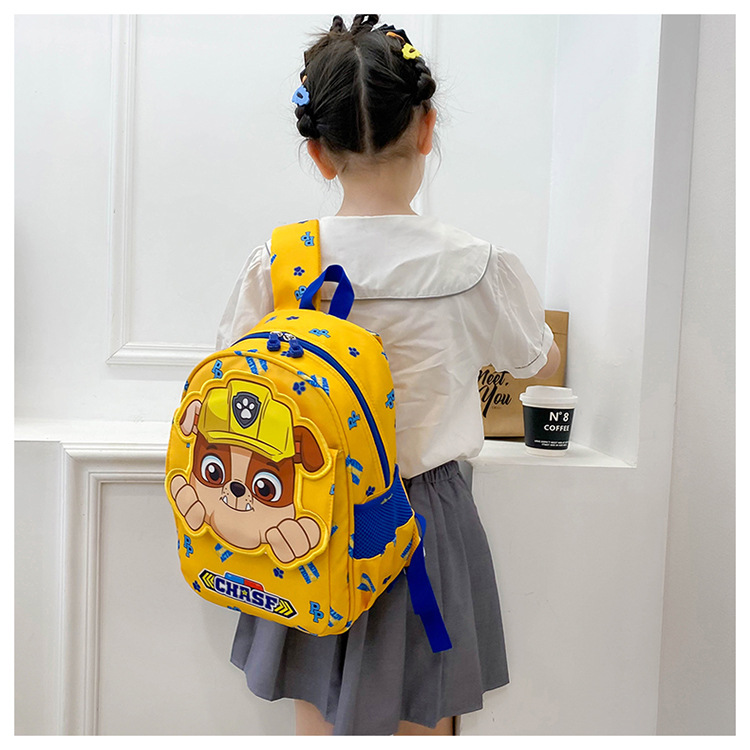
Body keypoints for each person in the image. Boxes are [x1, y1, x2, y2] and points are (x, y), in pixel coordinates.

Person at [216, 14, 561, 736]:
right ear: (427, 128)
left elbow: (232, 372)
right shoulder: (474, 264)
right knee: (422, 717)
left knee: (318, 710)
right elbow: (534, 359)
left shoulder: (280, 262)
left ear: (318, 153)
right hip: (424, 517)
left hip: (304, 511)